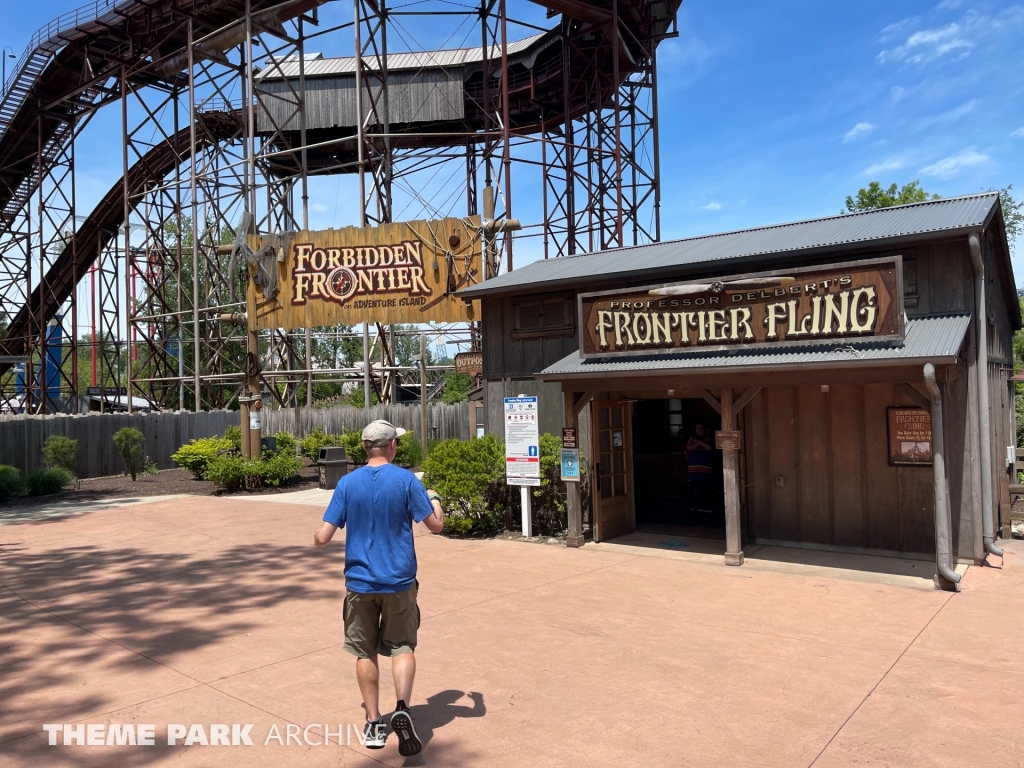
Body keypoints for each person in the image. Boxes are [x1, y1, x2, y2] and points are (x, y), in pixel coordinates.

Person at [313, 419, 444, 756]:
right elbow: (437, 525)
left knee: (364, 650)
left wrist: (322, 531)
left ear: (363, 447)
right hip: (399, 581)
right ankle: (402, 706)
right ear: (392, 446)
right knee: (402, 646)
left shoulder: (346, 483)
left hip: (359, 583)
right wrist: (435, 497)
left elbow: (323, 537)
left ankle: (374, 722)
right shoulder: (406, 480)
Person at [682, 424, 715, 514]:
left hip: (706, 467)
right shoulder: (691, 438)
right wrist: (699, 443)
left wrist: (700, 442)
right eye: (697, 428)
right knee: (694, 487)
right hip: (694, 467)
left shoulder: (708, 438)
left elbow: (710, 447)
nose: (699, 429)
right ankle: (694, 506)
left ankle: (705, 506)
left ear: (704, 429)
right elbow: (688, 447)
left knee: (706, 487)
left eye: (701, 428)